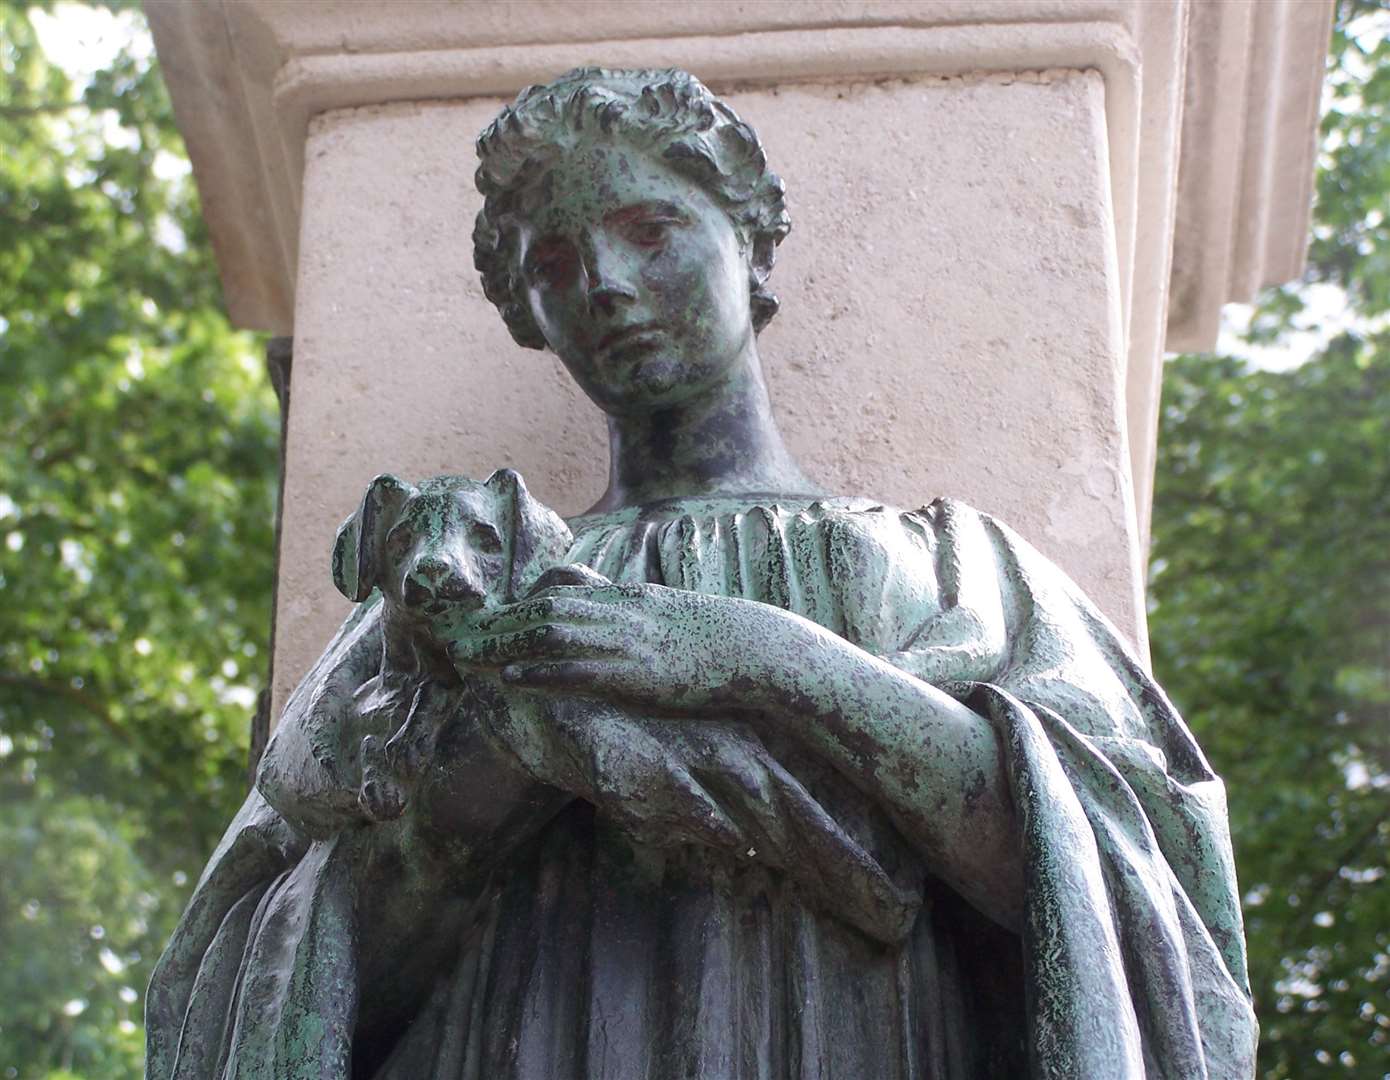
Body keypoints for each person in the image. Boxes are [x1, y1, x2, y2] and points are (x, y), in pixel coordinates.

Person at [146, 68, 1257, 1079]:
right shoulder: (453, 588)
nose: (608, 286)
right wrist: (483, 775)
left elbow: (1114, 899)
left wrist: (767, 659)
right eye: (556, 262)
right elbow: (274, 973)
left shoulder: (959, 568)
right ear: (526, 310)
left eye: (651, 230)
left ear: (751, 243)